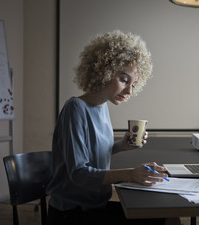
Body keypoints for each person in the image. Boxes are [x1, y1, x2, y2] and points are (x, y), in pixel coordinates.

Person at [46, 30, 169, 225]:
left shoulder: (102, 106)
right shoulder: (75, 108)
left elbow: (95, 152)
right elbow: (79, 173)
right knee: (161, 219)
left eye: (134, 84)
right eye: (123, 79)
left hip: (95, 206)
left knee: (163, 216)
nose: (129, 91)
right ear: (102, 70)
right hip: (71, 214)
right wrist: (130, 174)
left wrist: (121, 145)